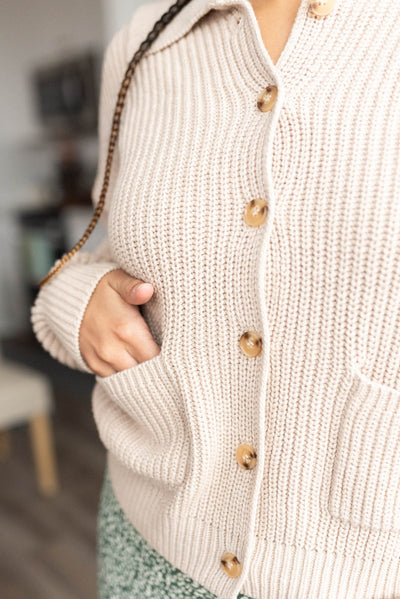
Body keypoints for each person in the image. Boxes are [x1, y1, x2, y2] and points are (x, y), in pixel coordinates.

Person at [31, 0, 400, 597]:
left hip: (369, 563)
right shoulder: (143, 49)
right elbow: (94, 251)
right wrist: (79, 302)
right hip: (151, 545)